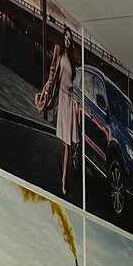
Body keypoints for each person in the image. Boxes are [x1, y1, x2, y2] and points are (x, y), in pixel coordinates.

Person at [36, 26, 80, 198]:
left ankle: (63, 179)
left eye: (70, 39)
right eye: (66, 38)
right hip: (61, 97)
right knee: (63, 141)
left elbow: (74, 82)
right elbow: (52, 72)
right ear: (63, 38)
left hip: (70, 100)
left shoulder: (72, 59)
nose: (67, 41)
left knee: (67, 143)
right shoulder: (59, 51)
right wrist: (47, 89)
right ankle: (63, 166)